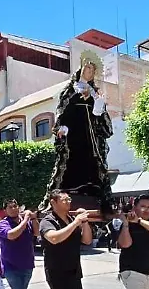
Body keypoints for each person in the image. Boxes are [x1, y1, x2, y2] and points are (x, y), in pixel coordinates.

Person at [39, 59, 114, 215]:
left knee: (93, 161)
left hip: (91, 134)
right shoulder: (71, 89)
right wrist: (63, 127)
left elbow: (98, 114)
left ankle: (95, 195)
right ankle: (62, 195)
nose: (90, 71)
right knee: (70, 160)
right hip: (74, 132)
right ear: (81, 69)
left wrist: (98, 104)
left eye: (93, 70)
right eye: (87, 67)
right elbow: (63, 110)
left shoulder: (95, 91)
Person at [0, 199, 39, 289]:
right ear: (5, 210)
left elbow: (37, 233)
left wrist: (33, 219)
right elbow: (12, 235)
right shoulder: (3, 224)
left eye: (15, 206)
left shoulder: (24, 221)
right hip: (11, 265)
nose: (14, 209)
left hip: (27, 263)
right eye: (10, 207)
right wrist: (25, 220)